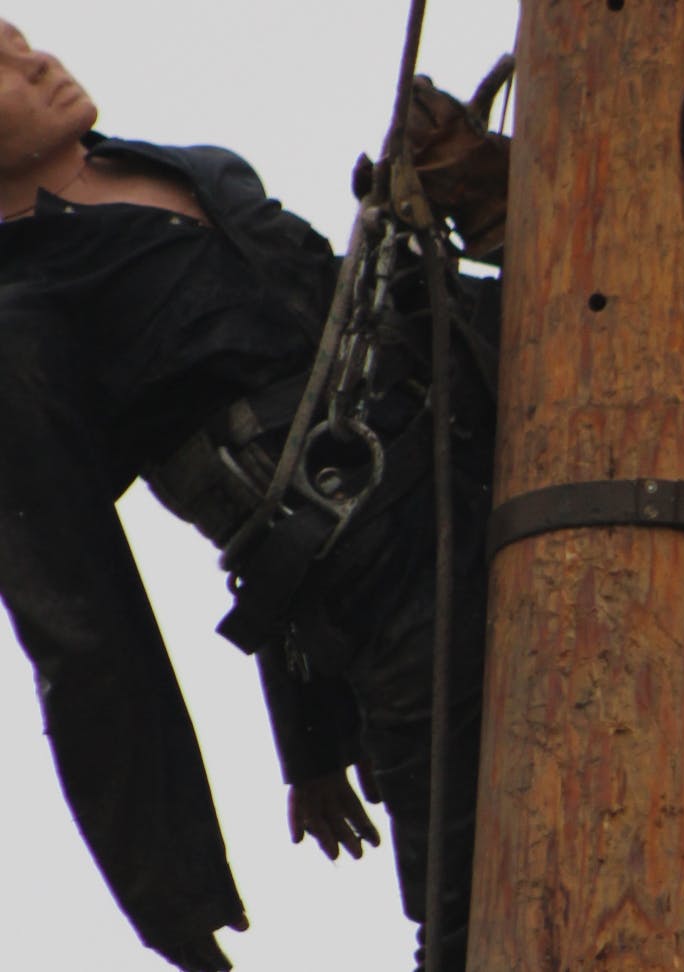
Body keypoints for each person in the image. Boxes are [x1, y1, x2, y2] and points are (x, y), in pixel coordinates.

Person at [0, 21, 493, 972]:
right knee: (483, 916)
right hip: (405, 601)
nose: (38, 63)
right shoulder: (20, 321)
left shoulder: (198, 170)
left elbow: (335, 360)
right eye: (1, 70)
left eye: (21, 42)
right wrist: (175, 901)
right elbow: (85, 625)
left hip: (487, 429)